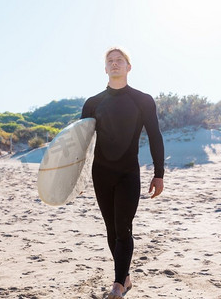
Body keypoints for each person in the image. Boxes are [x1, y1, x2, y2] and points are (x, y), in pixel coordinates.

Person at [81, 47, 164, 298]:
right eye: (110, 61)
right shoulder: (93, 103)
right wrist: (71, 179)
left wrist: (159, 173)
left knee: (124, 227)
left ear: (129, 67)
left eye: (120, 60)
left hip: (128, 172)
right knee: (111, 229)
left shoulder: (143, 100)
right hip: (101, 173)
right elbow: (80, 144)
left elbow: (155, 136)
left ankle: (117, 285)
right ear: (105, 69)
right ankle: (125, 278)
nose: (115, 64)